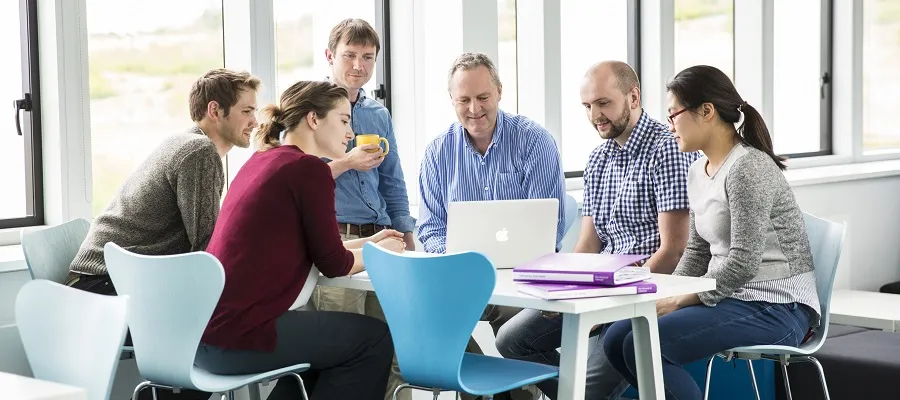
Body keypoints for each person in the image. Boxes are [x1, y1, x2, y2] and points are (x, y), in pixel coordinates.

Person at [602, 65, 821, 400]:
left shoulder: (748, 168)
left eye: (674, 114)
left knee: (644, 344)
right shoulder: (696, 171)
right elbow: (698, 251)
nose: (670, 125)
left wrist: (682, 299)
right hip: (732, 296)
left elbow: (743, 263)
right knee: (616, 339)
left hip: (778, 305)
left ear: (706, 111)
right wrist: (667, 293)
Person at [494, 61, 698, 399]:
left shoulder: (668, 149)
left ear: (634, 97)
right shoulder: (598, 159)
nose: (594, 115)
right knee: (512, 341)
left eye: (603, 103)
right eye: (588, 106)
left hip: (644, 291)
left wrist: (613, 296)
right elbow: (588, 243)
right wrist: (563, 288)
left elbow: (674, 249)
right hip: (601, 285)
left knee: (585, 389)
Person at [195, 80, 405, 400]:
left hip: (203, 334)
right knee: (374, 339)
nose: (350, 133)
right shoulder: (308, 170)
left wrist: (369, 242)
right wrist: (378, 251)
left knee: (327, 351)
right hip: (239, 336)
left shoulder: (264, 160)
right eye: (344, 121)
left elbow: (316, 247)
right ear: (313, 119)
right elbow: (334, 264)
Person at [66, 68, 261, 400]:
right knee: (227, 329)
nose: (255, 121)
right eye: (247, 110)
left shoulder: (183, 142)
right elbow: (208, 251)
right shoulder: (200, 153)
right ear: (215, 111)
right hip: (104, 293)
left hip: (93, 289)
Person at [418, 52, 565, 400]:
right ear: (452, 101)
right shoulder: (438, 152)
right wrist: (459, 258)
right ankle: (491, 393)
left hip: (522, 281)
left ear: (499, 91)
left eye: (483, 97)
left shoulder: (534, 141)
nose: (474, 109)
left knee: (513, 334)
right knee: (431, 317)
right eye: (463, 100)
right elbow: (429, 230)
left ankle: (529, 390)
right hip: (463, 279)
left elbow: (548, 228)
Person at [309, 18, 416, 400]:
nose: (358, 65)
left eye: (367, 57)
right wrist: (347, 161)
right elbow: (298, 176)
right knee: (343, 351)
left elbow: (393, 180)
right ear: (329, 56)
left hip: (382, 237)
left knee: (394, 343)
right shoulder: (311, 109)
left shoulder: (378, 115)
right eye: (349, 55)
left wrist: (406, 232)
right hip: (337, 239)